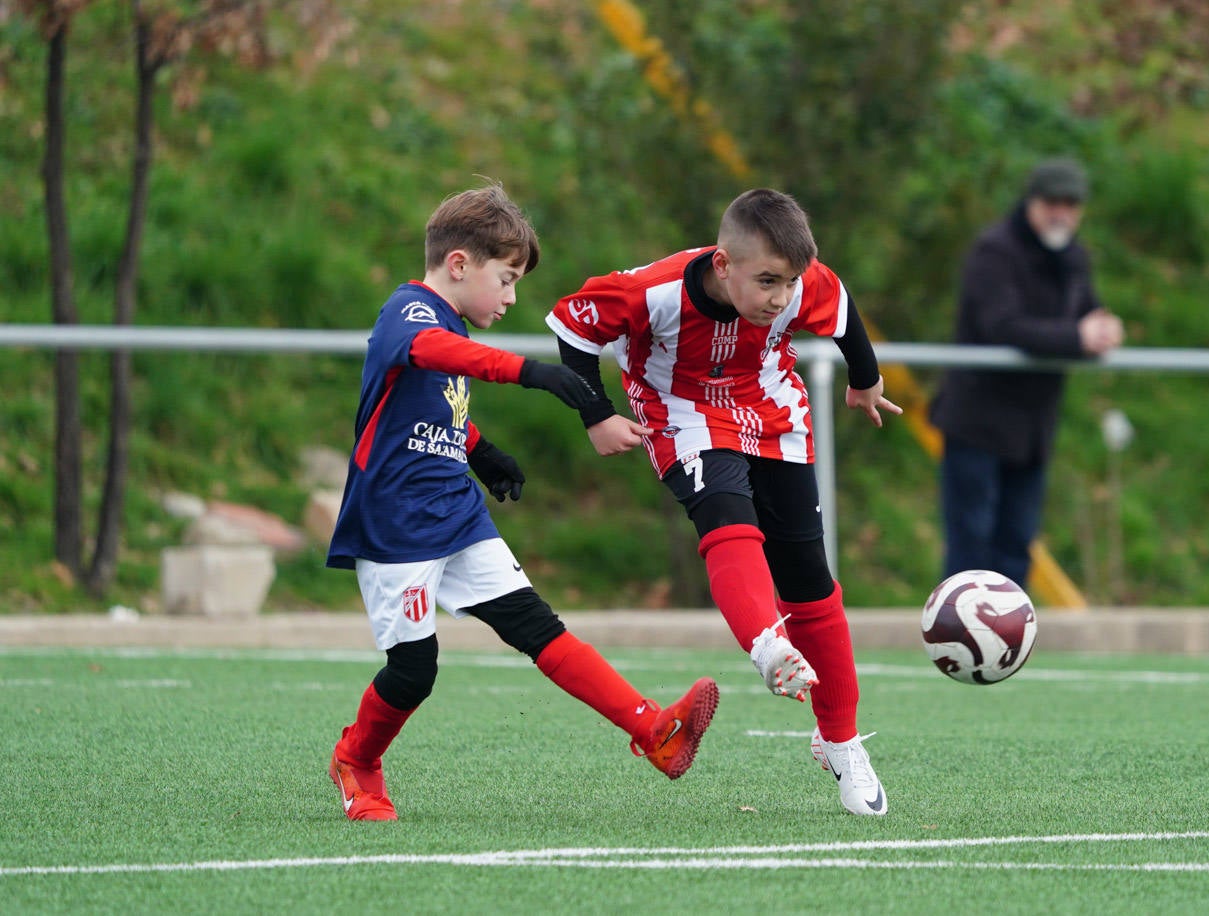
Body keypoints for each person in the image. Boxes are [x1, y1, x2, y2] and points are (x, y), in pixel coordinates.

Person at [325, 185, 718, 821]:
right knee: (413, 671)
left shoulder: (447, 319)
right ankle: (358, 759)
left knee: (539, 628)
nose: (511, 298)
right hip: (396, 523)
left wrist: (480, 450)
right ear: (459, 265)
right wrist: (531, 372)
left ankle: (656, 732)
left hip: (455, 510)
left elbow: (430, 403)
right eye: (505, 280)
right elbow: (435, 355)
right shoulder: (410, 311)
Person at [545, 188, 902, 816]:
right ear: (721, 265)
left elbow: (841, 311)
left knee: (810, 583)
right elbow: (571, 328)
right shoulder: (649, 293)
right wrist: (596, 415)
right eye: (766, 281)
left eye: (790, 283)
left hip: (774, 413)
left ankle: (840, 742)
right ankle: (769, 648)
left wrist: (865, 381)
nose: (781, 297)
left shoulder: (799, 282)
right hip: (682, 414)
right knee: (728, 517)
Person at [929, 157, 1125, 588]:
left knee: (1016, 545)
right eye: (1052, 202)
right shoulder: (995, 251)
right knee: (970, 545)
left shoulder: (1074, 258)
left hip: (1032, 428)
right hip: (976, 421)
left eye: (1071, 204)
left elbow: (1087, 312)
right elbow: (1004, 325)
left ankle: (1005, 649)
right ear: (1031, 203)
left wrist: (1104, 327)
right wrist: (1079, 337)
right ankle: (958, 646)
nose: (1062, 213)